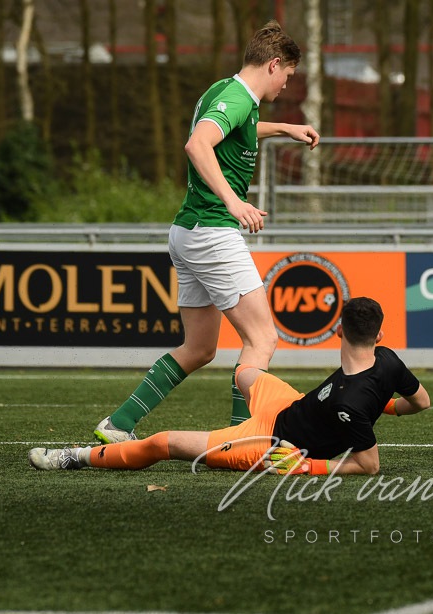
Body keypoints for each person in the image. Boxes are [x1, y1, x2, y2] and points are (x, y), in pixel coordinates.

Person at [93, 20, 320, 445]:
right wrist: (234, 202)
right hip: (213, 231)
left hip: (188, 230)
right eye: (288, 75)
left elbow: (232, 129)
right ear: (274, 64)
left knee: (199, 349)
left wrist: (283, 129)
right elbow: (198, 144)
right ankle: (239, 441)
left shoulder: (226, 91)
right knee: (262, 338)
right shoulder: (239, 98)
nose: (286, 85)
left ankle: (118, 424)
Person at [31, 298, 431, 475]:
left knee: (163, 443)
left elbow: (369, 466)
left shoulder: (351, 403)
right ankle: (238, 423)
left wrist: (308, 466)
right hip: (290, 404)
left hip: (270, 442)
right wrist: (384, 406)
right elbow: (422, 403)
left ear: (338, 331)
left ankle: (74, 457)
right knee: (245, 371)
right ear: (380, 336)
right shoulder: (388, 360)